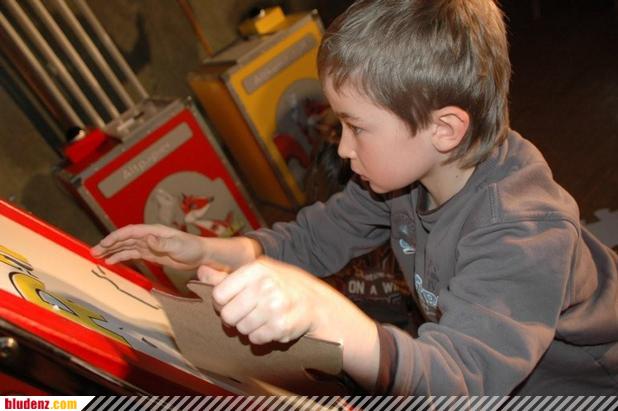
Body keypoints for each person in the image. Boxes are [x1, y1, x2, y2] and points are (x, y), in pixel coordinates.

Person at [91, 0, 618, 395]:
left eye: (357, 127)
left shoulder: (523, 231)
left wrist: (332, 318)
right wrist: (207, 251)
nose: (343, 149)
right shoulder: (400, 179)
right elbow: (315, 237)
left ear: (444, 129)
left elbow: (463, 382)